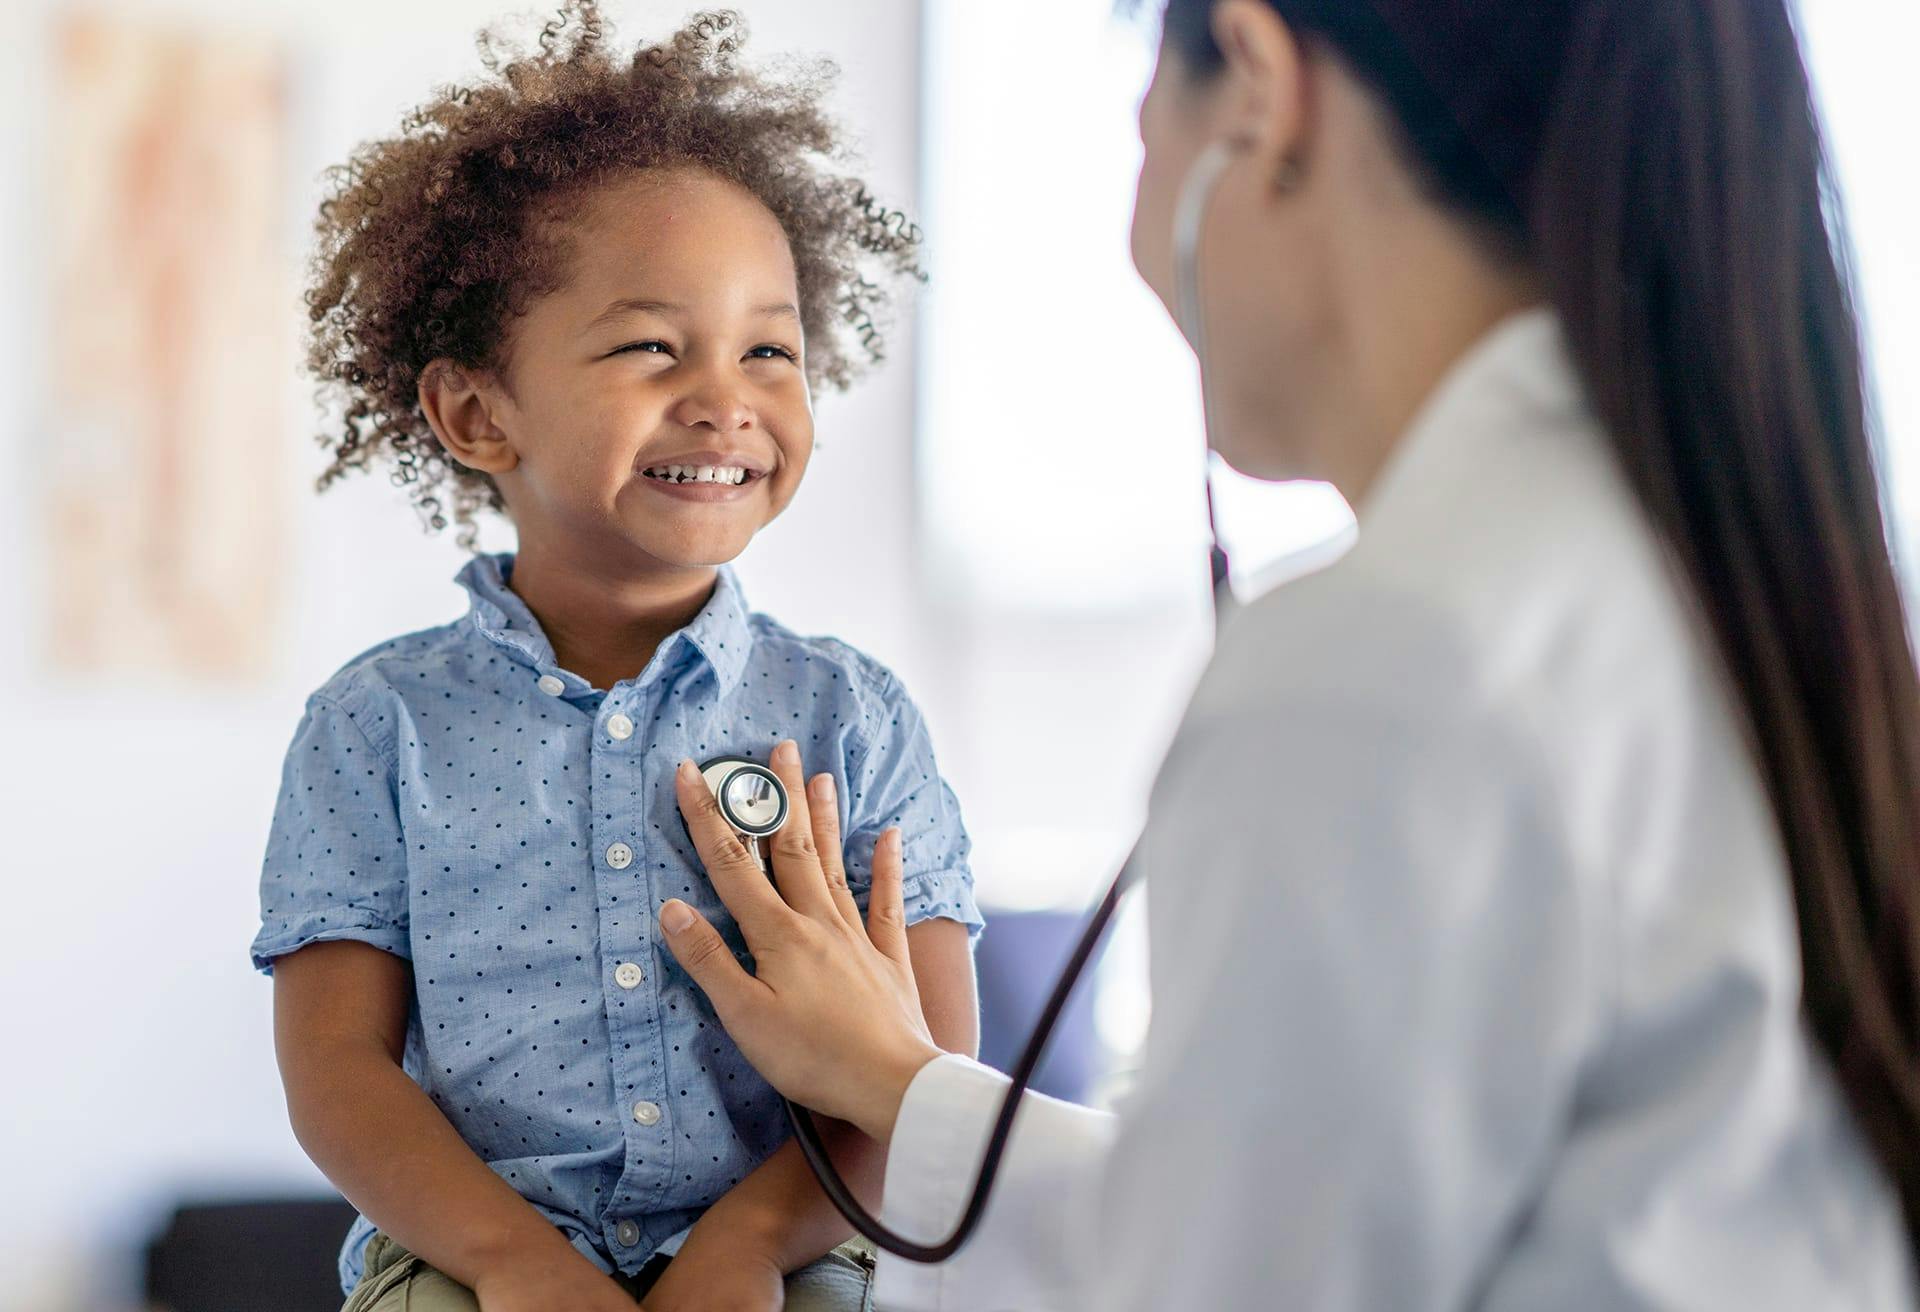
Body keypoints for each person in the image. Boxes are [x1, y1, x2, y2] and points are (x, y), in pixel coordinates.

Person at [651, 0, 1920, 1307]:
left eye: (1142, 133)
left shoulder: (1387, 661)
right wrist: (904, 1089)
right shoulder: (1714, 575)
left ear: (1257, 88)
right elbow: (1287, 1215)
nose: (1144, 248)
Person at [247, 8, 983, 1311]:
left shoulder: (853, 718)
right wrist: (512, 1263)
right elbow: (337, 1074)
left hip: (802, 1246)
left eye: (770, 346)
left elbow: (927, 1065)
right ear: (477, 412)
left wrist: (752, 1243)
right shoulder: (377, 727)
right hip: (475, 1259)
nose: (725, 395)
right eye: (654, 345)